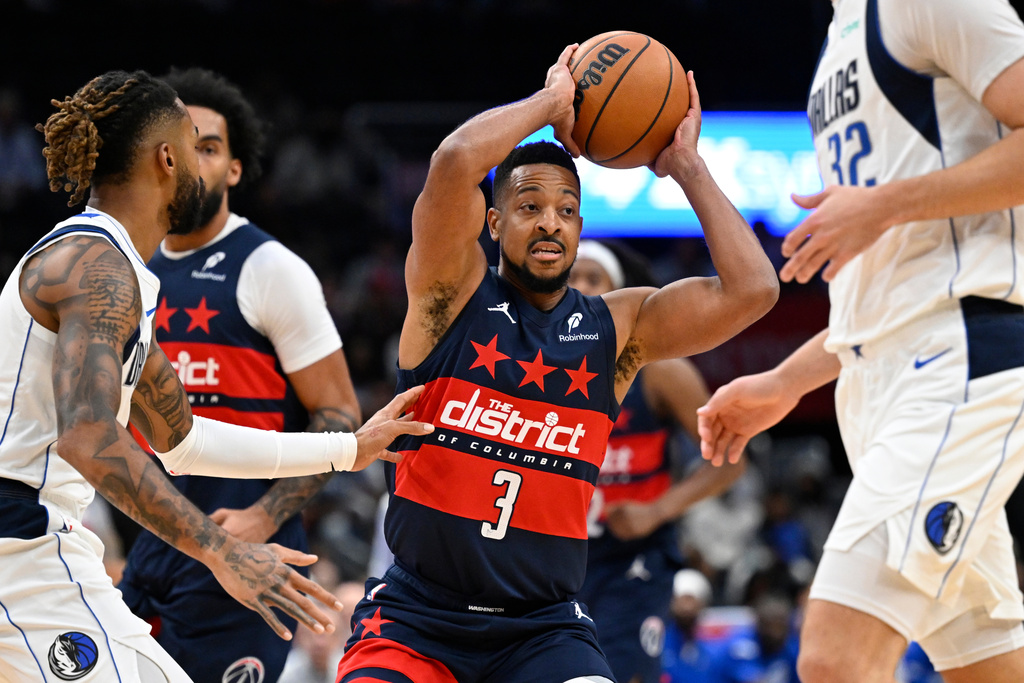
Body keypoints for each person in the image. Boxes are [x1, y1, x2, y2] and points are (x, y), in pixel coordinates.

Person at [336, 44, 779, 682]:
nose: (550, 223)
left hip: (541, 628)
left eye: (567, 211)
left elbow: (754, 291)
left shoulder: (617, 329)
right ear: (492, 222)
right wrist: (551, 105)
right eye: (529, 207)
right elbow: (455, 162)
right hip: (417, 619)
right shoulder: (448, 296)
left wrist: (686, 165)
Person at [0, 69, 431, 683]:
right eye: (193, 140)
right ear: (168, 157)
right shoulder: (97, 265)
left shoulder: (116, 272)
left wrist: (350, 449)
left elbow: (186, 441)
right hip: (23, 542)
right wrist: (223, 550)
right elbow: (87, 434)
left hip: (36, 545)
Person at [697, 1, 1024, 680]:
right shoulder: (840, 37)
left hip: (962, 358)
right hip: (881, 380)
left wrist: (886, 203)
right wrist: (785, 380)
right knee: (987, 668)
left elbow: (906, 236)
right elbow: (897, 282)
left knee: (835, 658)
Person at [114, 67, 362, 683]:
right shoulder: (128, 265)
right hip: (152, 543)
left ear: (234, 170)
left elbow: (340, 417)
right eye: (183, 142)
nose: (195, 159)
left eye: (212, 146)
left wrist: (263, 513)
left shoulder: (271, 268)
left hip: (248, 549)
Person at [568, 238, 746, 683]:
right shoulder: (533, 365)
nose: (583, 287)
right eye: (572, 278)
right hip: (555, 556)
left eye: (595, 278)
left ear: (620, 290)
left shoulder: (659, 371)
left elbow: (730, 461)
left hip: (633, 558)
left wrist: (657, 511)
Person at [661, 568, 724, 683]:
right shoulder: (659, 642)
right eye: (682, 599)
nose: (687, 607)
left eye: (691, 599)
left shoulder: (710, 648)